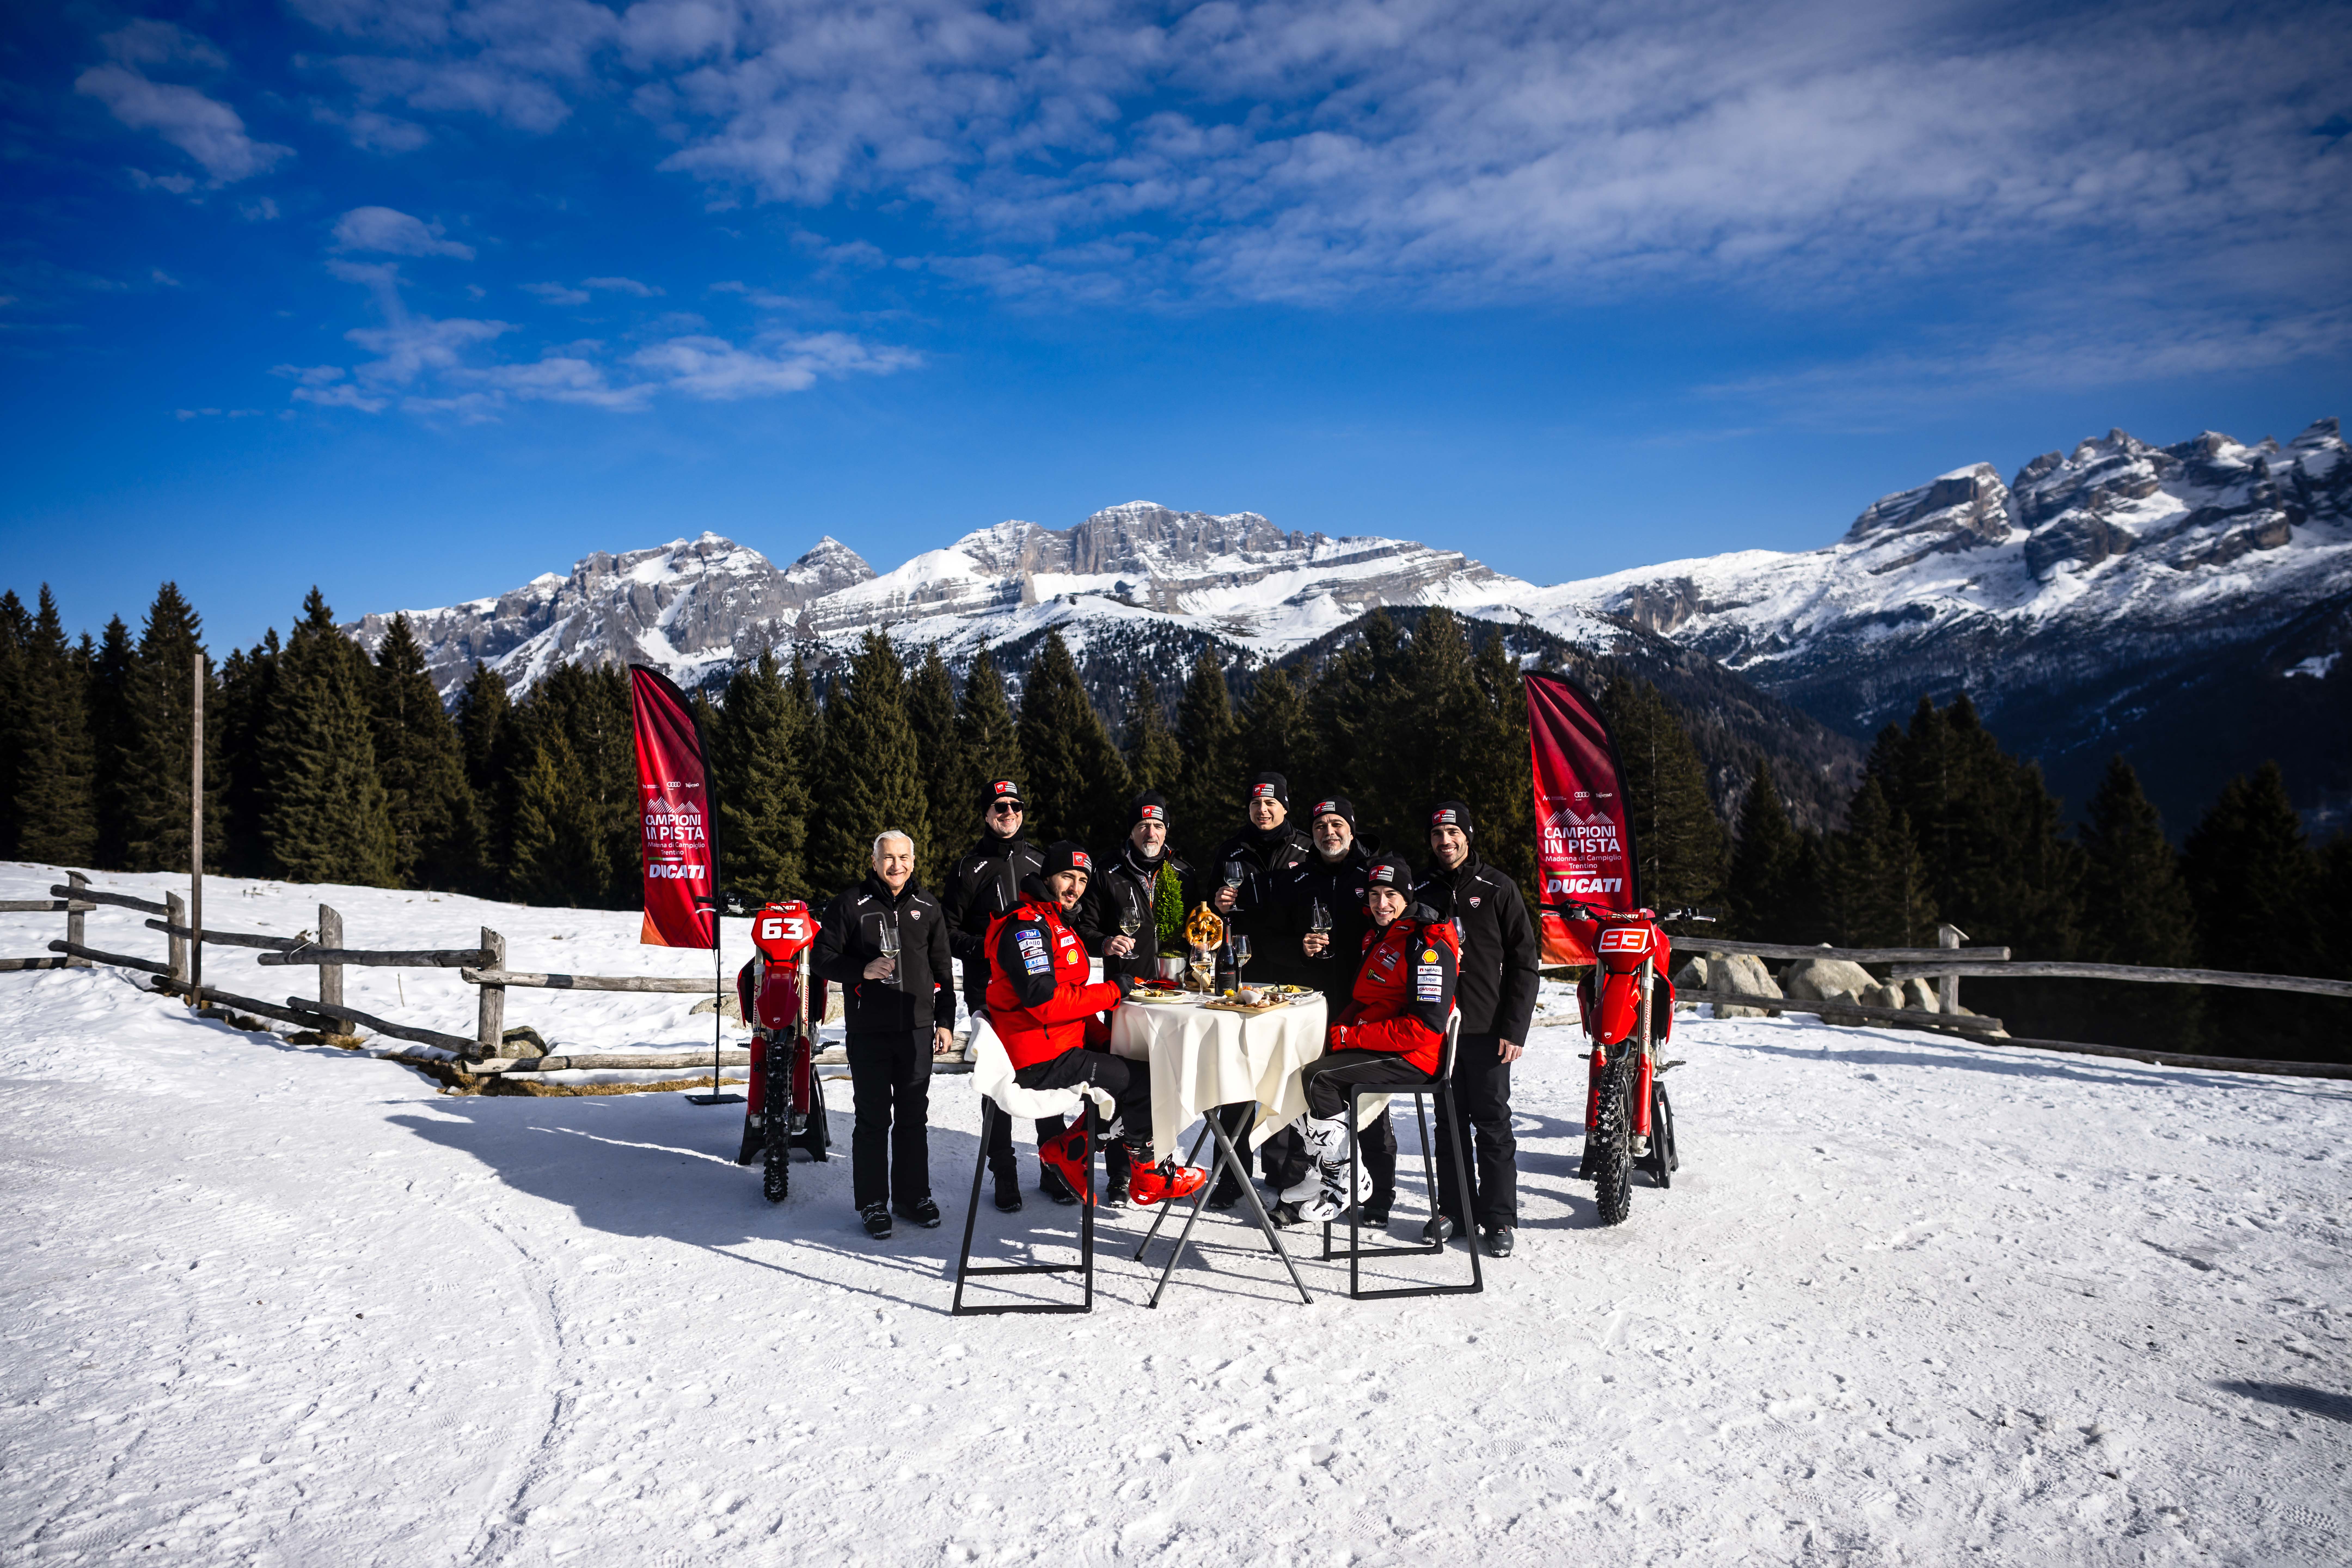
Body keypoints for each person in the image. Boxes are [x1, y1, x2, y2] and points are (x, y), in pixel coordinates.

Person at [987, 841, 1208, 1209]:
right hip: (1036, 1058)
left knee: (1158, 1067)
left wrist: (1110, 1040)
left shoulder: (1056, 921)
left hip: (1058, 1044)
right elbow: (1044, 1003)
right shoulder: (1027, 927)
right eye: (1067, 877)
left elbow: (1070, 1000)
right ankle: (1147, 1172)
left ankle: (1072, 1150)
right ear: (1047, 877)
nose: (1075, 887)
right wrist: (1113, 991)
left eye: (1082, 880)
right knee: (1146, 1084)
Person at [1283, 853, 1459, 1223]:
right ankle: (1324, 1171)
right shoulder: (1379, 936)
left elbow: (1425, 1028)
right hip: (1386, 1046)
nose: (1382, 904)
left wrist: (1352, 1036)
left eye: (1391, 895)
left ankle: (1344, 1178)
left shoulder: (1426, 946)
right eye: (1375, 894)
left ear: (1407, 897)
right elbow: (1366, 1000)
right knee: (1297, 1068)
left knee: (1319, 1079)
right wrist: (1334, 1035)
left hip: (1417, 1057)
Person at [811, 831, 955, 1241]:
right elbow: (822, 958)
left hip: (916, 1029)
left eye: (904, 857)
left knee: (914, 1117)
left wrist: (944, 1021)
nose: (897, 865)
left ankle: (913, 1198)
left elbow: (943, 972)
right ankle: (873, 1202)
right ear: (874, 862)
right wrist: (862, 970)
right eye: (888, 858)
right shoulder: (849, 904)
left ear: (915, 860)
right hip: (869, 1030)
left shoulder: (928, 906)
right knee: (873, 1119)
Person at [1411, 800, 1540, 1258]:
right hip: (1438, 1030)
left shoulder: (1498, 887)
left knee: (1492, 1125)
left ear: (1468, 835)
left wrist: (1515, 1029)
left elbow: (1526, 962)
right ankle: (1455, 1210)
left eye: (1453, 834)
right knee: (1448, 1124)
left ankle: (1499, 1217)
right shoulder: (1422, 888)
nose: (1445, 843)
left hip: (1488, 1030)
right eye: (1437, 835)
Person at [1071, 791, 1201, 1205]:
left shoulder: (1182, 871)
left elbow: (1202, 925)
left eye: (1159, 826)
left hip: (1177, 997)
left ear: (1167, 831)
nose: (1152, 832)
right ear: (1131, 830)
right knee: (1125, 1083)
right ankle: (1120, 1174)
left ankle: (1160, 1163)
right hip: (1126, 998)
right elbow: (1083, 929)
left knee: (1168, 1079)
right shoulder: (1107, 871)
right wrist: (1105, 942)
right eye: (1144, 825)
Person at [1202, 771, 1315, 1208]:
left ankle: (1287, 1172)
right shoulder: (1233, 848)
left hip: (1294, 973)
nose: (1263, 811)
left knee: (1286, 1071)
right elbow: (1209, 898)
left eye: (1271, 804)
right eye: (1255, 805)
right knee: (1236, 1074)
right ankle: (1230, 1176)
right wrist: (1218, 902)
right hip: (1243, 972)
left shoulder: (1306, 847)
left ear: (1286, 807)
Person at [1287, 797, 1398, 1226]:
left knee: (1370, 1107)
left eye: (1337, 825)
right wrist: (1303, 949)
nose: (1328, 833)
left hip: (1366, 1010)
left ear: (1352, 829)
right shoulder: (1301, 878)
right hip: (1314, 1007)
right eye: (1319, 827)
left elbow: (1392, 928)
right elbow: (1282, 935)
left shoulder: (1372, 874)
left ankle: (1380, 1196)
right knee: (1309, 1099)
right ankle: (1314, 1185)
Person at [941, 777, 1048, 1211]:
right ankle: (1004, 1170)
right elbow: (947, 932)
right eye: (999, 807)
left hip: (1038, 990)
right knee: (998, 1079)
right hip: (987, 991)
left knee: (1045, 1074)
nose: (1009, 814)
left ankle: (1054, 1165)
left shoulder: (1041, 862)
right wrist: (987, 947)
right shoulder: (969, 867)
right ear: (986, 814)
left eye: (1015, 807)